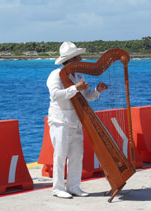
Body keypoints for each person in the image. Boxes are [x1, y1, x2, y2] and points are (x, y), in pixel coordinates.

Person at [46, 41, 108, 199]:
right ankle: (58, 188)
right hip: (60, 120)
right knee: (60, 155)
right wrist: (75, 88)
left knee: (77, 155)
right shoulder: (55, 75)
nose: (81, 60)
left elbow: (87, 96)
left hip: (76, 120)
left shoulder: (79, 76)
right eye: (78, 57)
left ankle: (73, 186)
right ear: (71, 61)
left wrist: (97, 91)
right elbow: (55, 95)